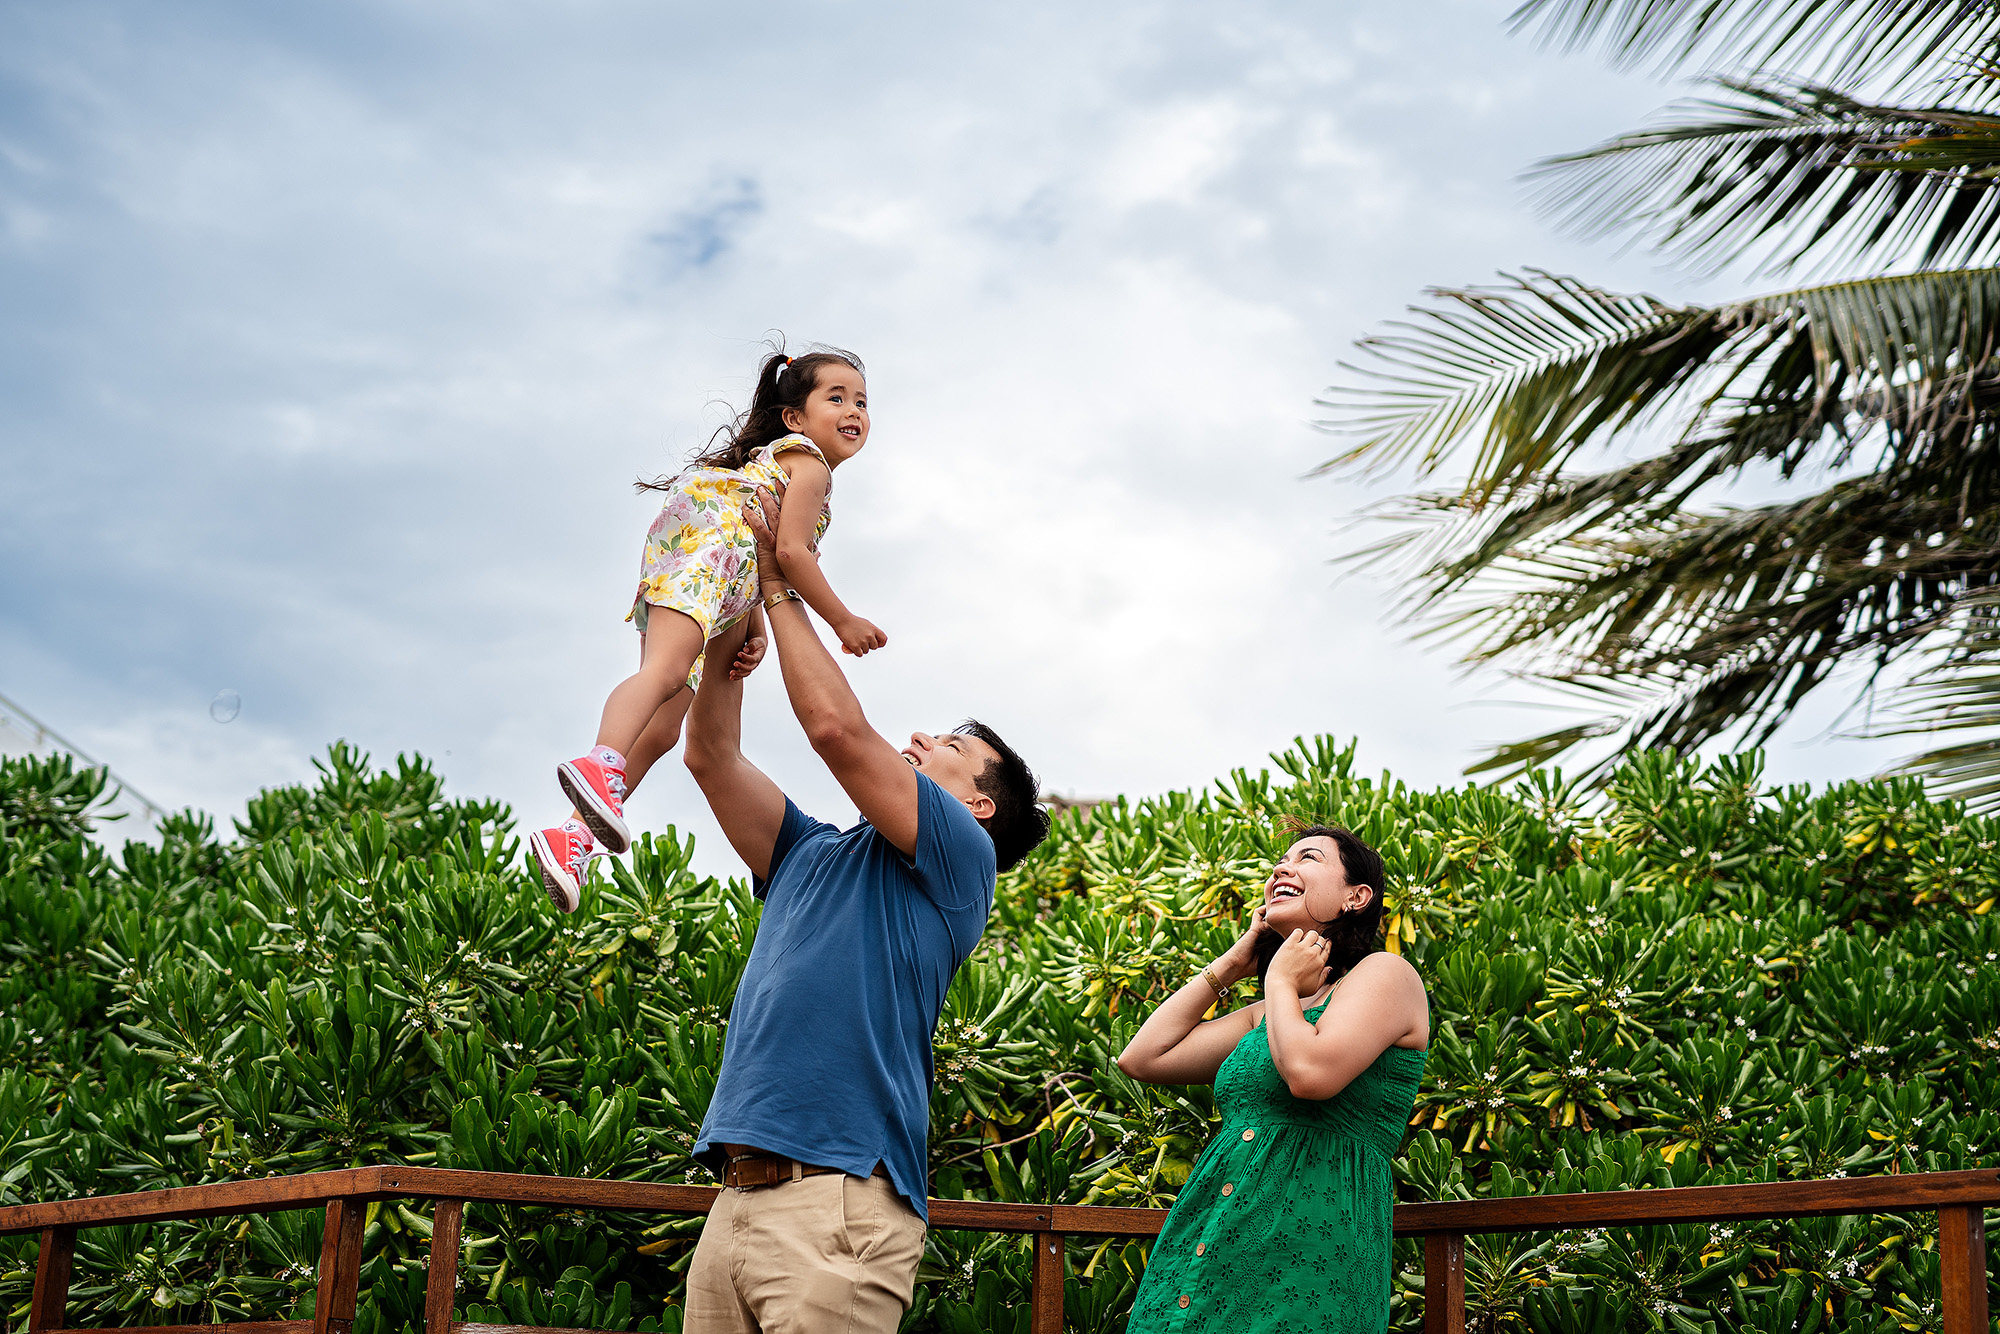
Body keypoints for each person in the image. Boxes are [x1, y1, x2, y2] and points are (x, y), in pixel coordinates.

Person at [676, 482, 1050, 1333]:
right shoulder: (806, 852)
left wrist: (778, 580)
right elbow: (709, 752)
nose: (916, 739)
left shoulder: (961, 857)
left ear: (979, 805)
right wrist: (734, 625)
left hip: (840, 1205)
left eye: (947, 748)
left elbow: (839, 733)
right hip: (732, 1201)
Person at [528, 346, 889, 911]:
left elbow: (752, 544)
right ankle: (598, 763)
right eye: (836, 397)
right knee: (664, 672)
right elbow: (791, 552)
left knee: (664, 727)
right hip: (700, 558)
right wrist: (843, 619)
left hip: (709, 570)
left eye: (862, 402)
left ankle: (571, 836)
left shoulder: (780, 466)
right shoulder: (810, 466)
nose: (854, 411)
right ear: (795, 417)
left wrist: (752, 627)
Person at [1115, 825, 1429, 1334]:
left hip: (1308, 1256)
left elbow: (1310, 1074)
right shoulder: (1266, 1014)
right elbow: (1144, 1057)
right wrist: (1236, 962)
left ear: (1357, 896)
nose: (1281, 869)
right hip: (1206, 1245)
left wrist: (1281, 979)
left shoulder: (1386, 974)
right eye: (1280, 861)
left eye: (1308, 858)